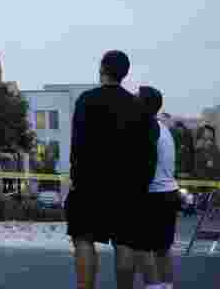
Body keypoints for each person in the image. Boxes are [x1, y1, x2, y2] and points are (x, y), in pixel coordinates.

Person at [65, 50, 155, 289]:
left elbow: (78, 143)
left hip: (89, 183)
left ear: (102, 68)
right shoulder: (138, 108)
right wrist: (142, 184)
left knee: (83, 238)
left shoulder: (86, 100)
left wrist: (76, 176)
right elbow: (148, 152)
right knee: (125, 242)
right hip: (127, 186)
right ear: (125, 74)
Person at [137, 86, 178, 289]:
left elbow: (144, 164)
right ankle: (167, 285)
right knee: (163, 247)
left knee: (143, 247)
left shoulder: (146, 128)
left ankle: (153, 286)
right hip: (169, 192)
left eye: (136, 98)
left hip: (152, 194)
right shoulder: (164, 129)